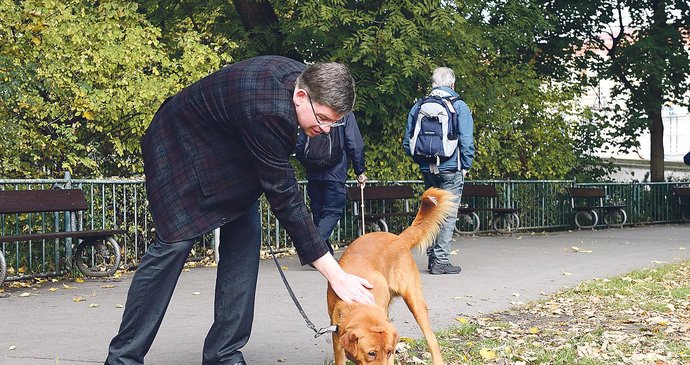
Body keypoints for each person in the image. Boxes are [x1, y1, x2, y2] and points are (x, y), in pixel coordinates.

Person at [105, 56, 375, 365]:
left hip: (228, 156)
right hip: (178, 146)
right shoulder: (269, 109)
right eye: (324, 118)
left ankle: (223, 353)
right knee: (173, 246)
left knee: (246, 235)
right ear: (302, 96)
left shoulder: (303, 83)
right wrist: (335, 274)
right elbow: (285, 195)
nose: (327, 129)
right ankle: (122, 358)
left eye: (334, 122)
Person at [402, 66, 475, 275]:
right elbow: (467, 141)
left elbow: (408, 142)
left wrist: (422, 161)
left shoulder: (419, 106)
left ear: (433, 84)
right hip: (451, 169)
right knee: (448, 214)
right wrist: (466, 165)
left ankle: (433, 259)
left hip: (428, 170)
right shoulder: (459, 106)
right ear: (453, 84)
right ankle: (440, 261)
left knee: (431, 212)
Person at [295, 112, 367, 254]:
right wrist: (360, 171)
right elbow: (355, 144)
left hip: (313, 173)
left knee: (318, 211)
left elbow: (299, 145)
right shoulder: (344, 113)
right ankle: (312, 248)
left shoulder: (315, 109)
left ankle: (323, 252)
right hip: (336, 173)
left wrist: (310, 164)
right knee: (332, 211)